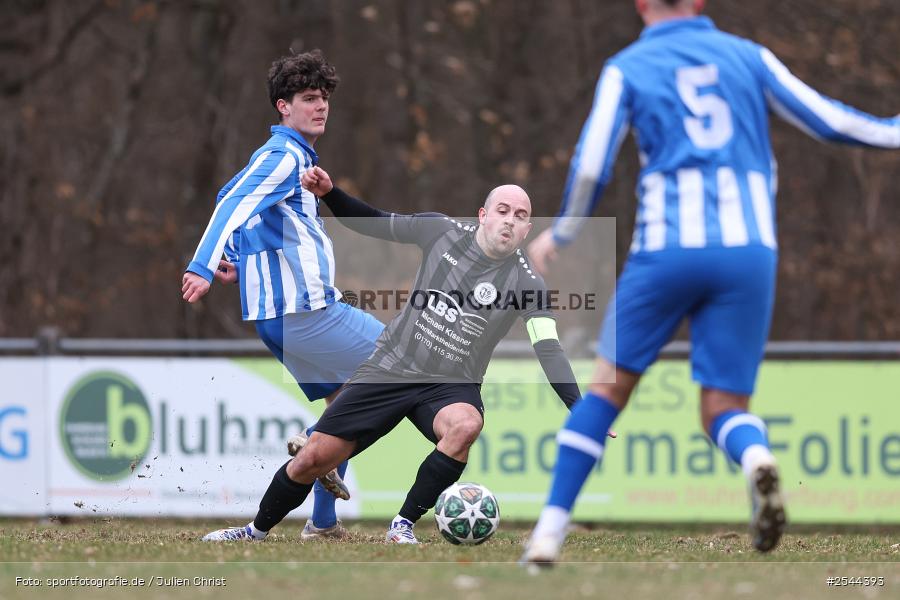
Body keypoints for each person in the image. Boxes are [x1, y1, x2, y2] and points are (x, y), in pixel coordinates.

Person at [521, 0, 900, 565]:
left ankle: (549, 532)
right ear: (699, 1)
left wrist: (566, 232)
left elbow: (594, 163)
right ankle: (756, 462)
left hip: (666, 251)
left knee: (607, 388)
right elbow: (831, 122)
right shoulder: (749, 57)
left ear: (641, 3)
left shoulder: (627, 66)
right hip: (748, 252)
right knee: (723, 403)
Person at [201, 166, 601, 544]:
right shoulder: (440, 231)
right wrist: (331, 194)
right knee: (312, 460)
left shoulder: (528, 283)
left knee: (466, 425)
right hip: (390, 368)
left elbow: (548, 347)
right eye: (502, 211)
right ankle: (254, 530)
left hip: (448, 387)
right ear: (483, 215)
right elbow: (375, 219)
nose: (510, 220)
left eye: (520, 215)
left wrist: (579, 407)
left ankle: (403, 523)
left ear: (529, 229)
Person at [181, 51, 384, 540]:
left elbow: (234, 199)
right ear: (283, 107)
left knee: (348, 412)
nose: (321, 107)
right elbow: (231, 202)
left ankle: (321, 524)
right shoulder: (283, 156)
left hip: (287, 318)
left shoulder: (287, 159)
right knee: (405, 364)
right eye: (309, 99)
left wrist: (239, 260)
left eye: (325, 99)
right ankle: (312, 447)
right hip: (306, 314)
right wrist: (203, 265)